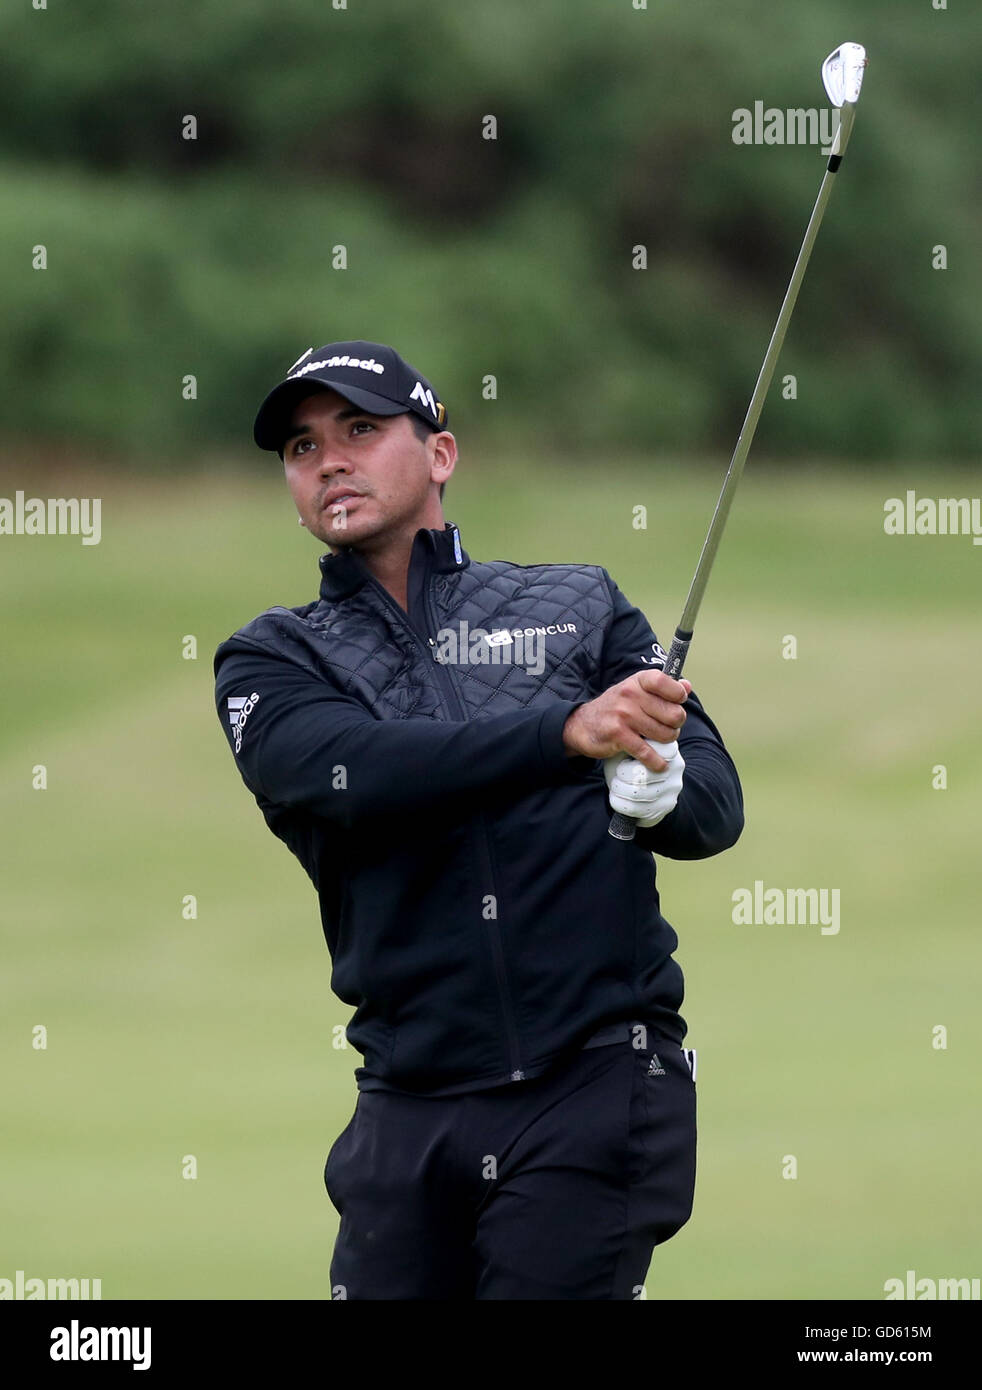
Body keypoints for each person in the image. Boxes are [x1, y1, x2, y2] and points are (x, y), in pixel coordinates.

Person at [214, 339, 744, 1301]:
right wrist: (566, 735)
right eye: (301, 447)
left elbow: (716, 802)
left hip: (594, 1083)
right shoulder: (270, 661)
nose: (328, 460)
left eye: (361, 432)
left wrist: (667, 790)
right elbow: (355, 773)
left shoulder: (578, 607)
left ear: (441, 455)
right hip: (406, 1106)